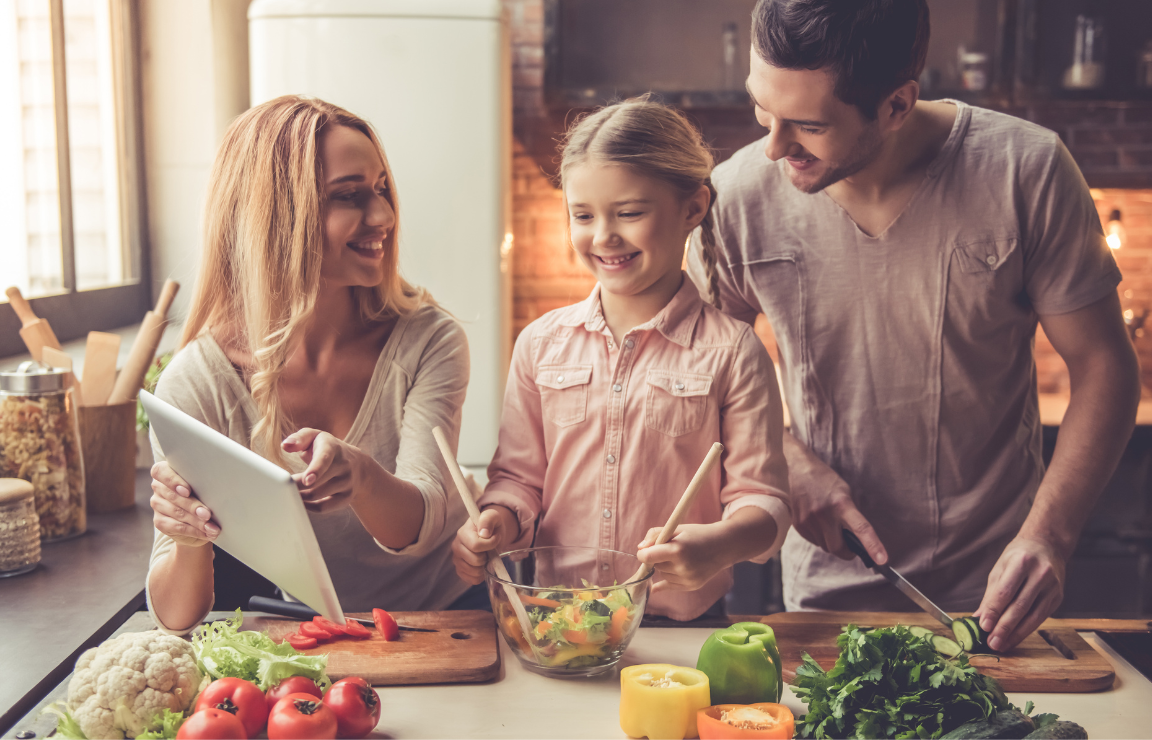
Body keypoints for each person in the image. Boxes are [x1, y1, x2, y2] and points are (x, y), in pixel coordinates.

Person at [688, 0, 1140, 650]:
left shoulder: (1027, 171)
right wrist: (788, 463)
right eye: (764, 111)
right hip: (824, 587)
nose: (775, 146)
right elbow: (700, 376)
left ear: (897, 104)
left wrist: (1049, 535)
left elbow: (1105, 370)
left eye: (808, 125)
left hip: (993, 594)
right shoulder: (736, 195)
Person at [451, 98, 791, 621]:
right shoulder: (540, 344)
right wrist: (496, 520)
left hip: (680, 632)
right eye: (582, 215)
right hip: (557, 621)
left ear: (693, 209)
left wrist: (717, 546)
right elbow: (519, 480)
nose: (603, 235)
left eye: (629, 213)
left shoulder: (733, 352)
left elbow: (764, 503)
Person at [146, 95, 476, 633]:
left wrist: (362, 478)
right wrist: (185, 537)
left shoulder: (428, 340)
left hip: (450, 616)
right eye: (349, 196)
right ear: (276, 217)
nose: (384, 216)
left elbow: (421, 521)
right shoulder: (194, 385)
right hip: (318, 627)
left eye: (381, 189)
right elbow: (177, 614)